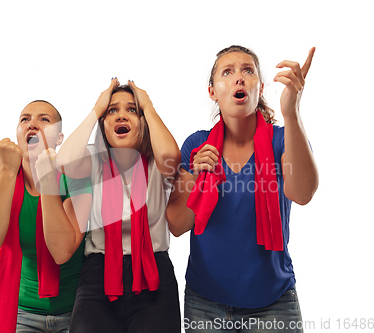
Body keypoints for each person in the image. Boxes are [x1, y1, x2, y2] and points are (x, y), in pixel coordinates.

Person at [166, 45, 318, 332]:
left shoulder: (283, 140)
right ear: (212, 91)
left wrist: (292, 113)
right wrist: (197, 177)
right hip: (205, 304)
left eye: (248, 71)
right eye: (228, 72)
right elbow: (176, 224)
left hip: (274, 302)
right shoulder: (196, 146)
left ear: (260, 88)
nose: (239, 77)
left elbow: (303, 193)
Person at [57, 79, 181, 333]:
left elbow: (171, 156)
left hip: (153, 275)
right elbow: (65, 161)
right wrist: (96, 110)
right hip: (97, 277)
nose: (121, 115)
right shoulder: (92, 159)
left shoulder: (157, 161)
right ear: (103, 124)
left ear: (143, 120)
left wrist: (148, 105)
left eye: (131, 110)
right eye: (112, 110)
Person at [0, 100, 92, 333]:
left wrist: (48, 180)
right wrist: (7, 171)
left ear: (59, 138)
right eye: (25, 119)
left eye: (44, 119)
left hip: (76, 311)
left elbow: (61, 252)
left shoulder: (76, 181)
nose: (32, 124)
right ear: (17, 132)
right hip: (21, 313)